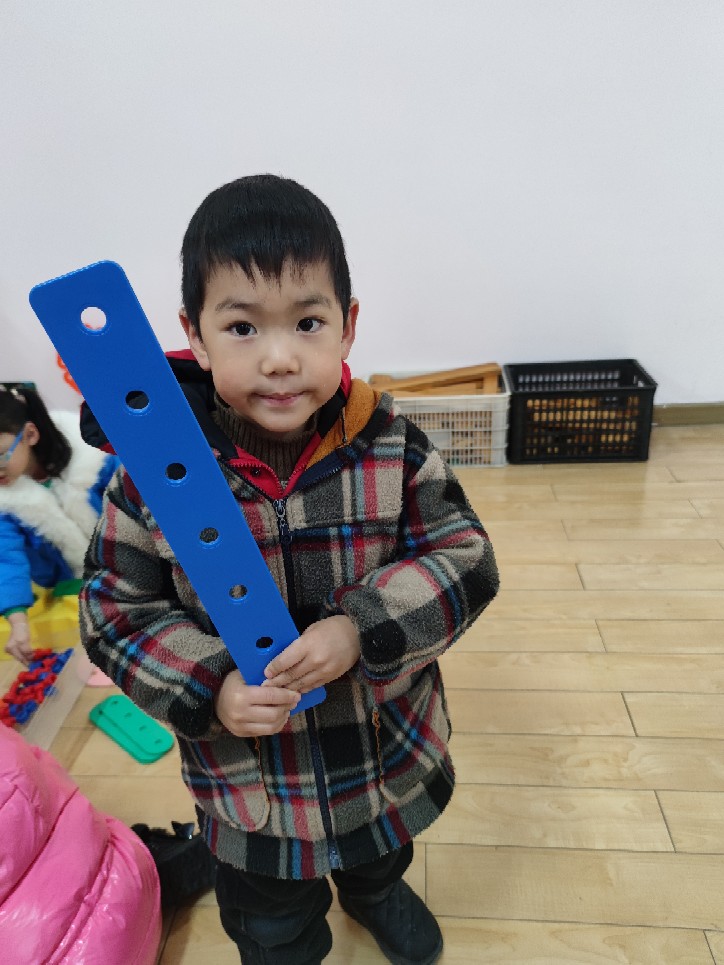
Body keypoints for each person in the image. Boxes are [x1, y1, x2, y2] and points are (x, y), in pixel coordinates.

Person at [79, 174, 500, 965]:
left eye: (308, 322)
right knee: (271, 927)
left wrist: (361, 627)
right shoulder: (150, 477)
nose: (279, 357)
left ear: (347, 327)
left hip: (380, 757)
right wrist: (210, 685)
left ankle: (375, 892)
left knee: (380, 856)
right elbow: (113, 613)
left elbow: (465, 558)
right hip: (255, 794)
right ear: (196, 336)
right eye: (241, 327)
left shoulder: (392, 446)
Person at [0, 385, 119, 665]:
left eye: (1, 454)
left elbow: (140, 508)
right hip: (71, 586)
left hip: (131, 568)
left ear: (30, 434)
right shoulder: (5, 502)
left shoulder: (94, 460)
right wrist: (18, 623)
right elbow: (7, 558)